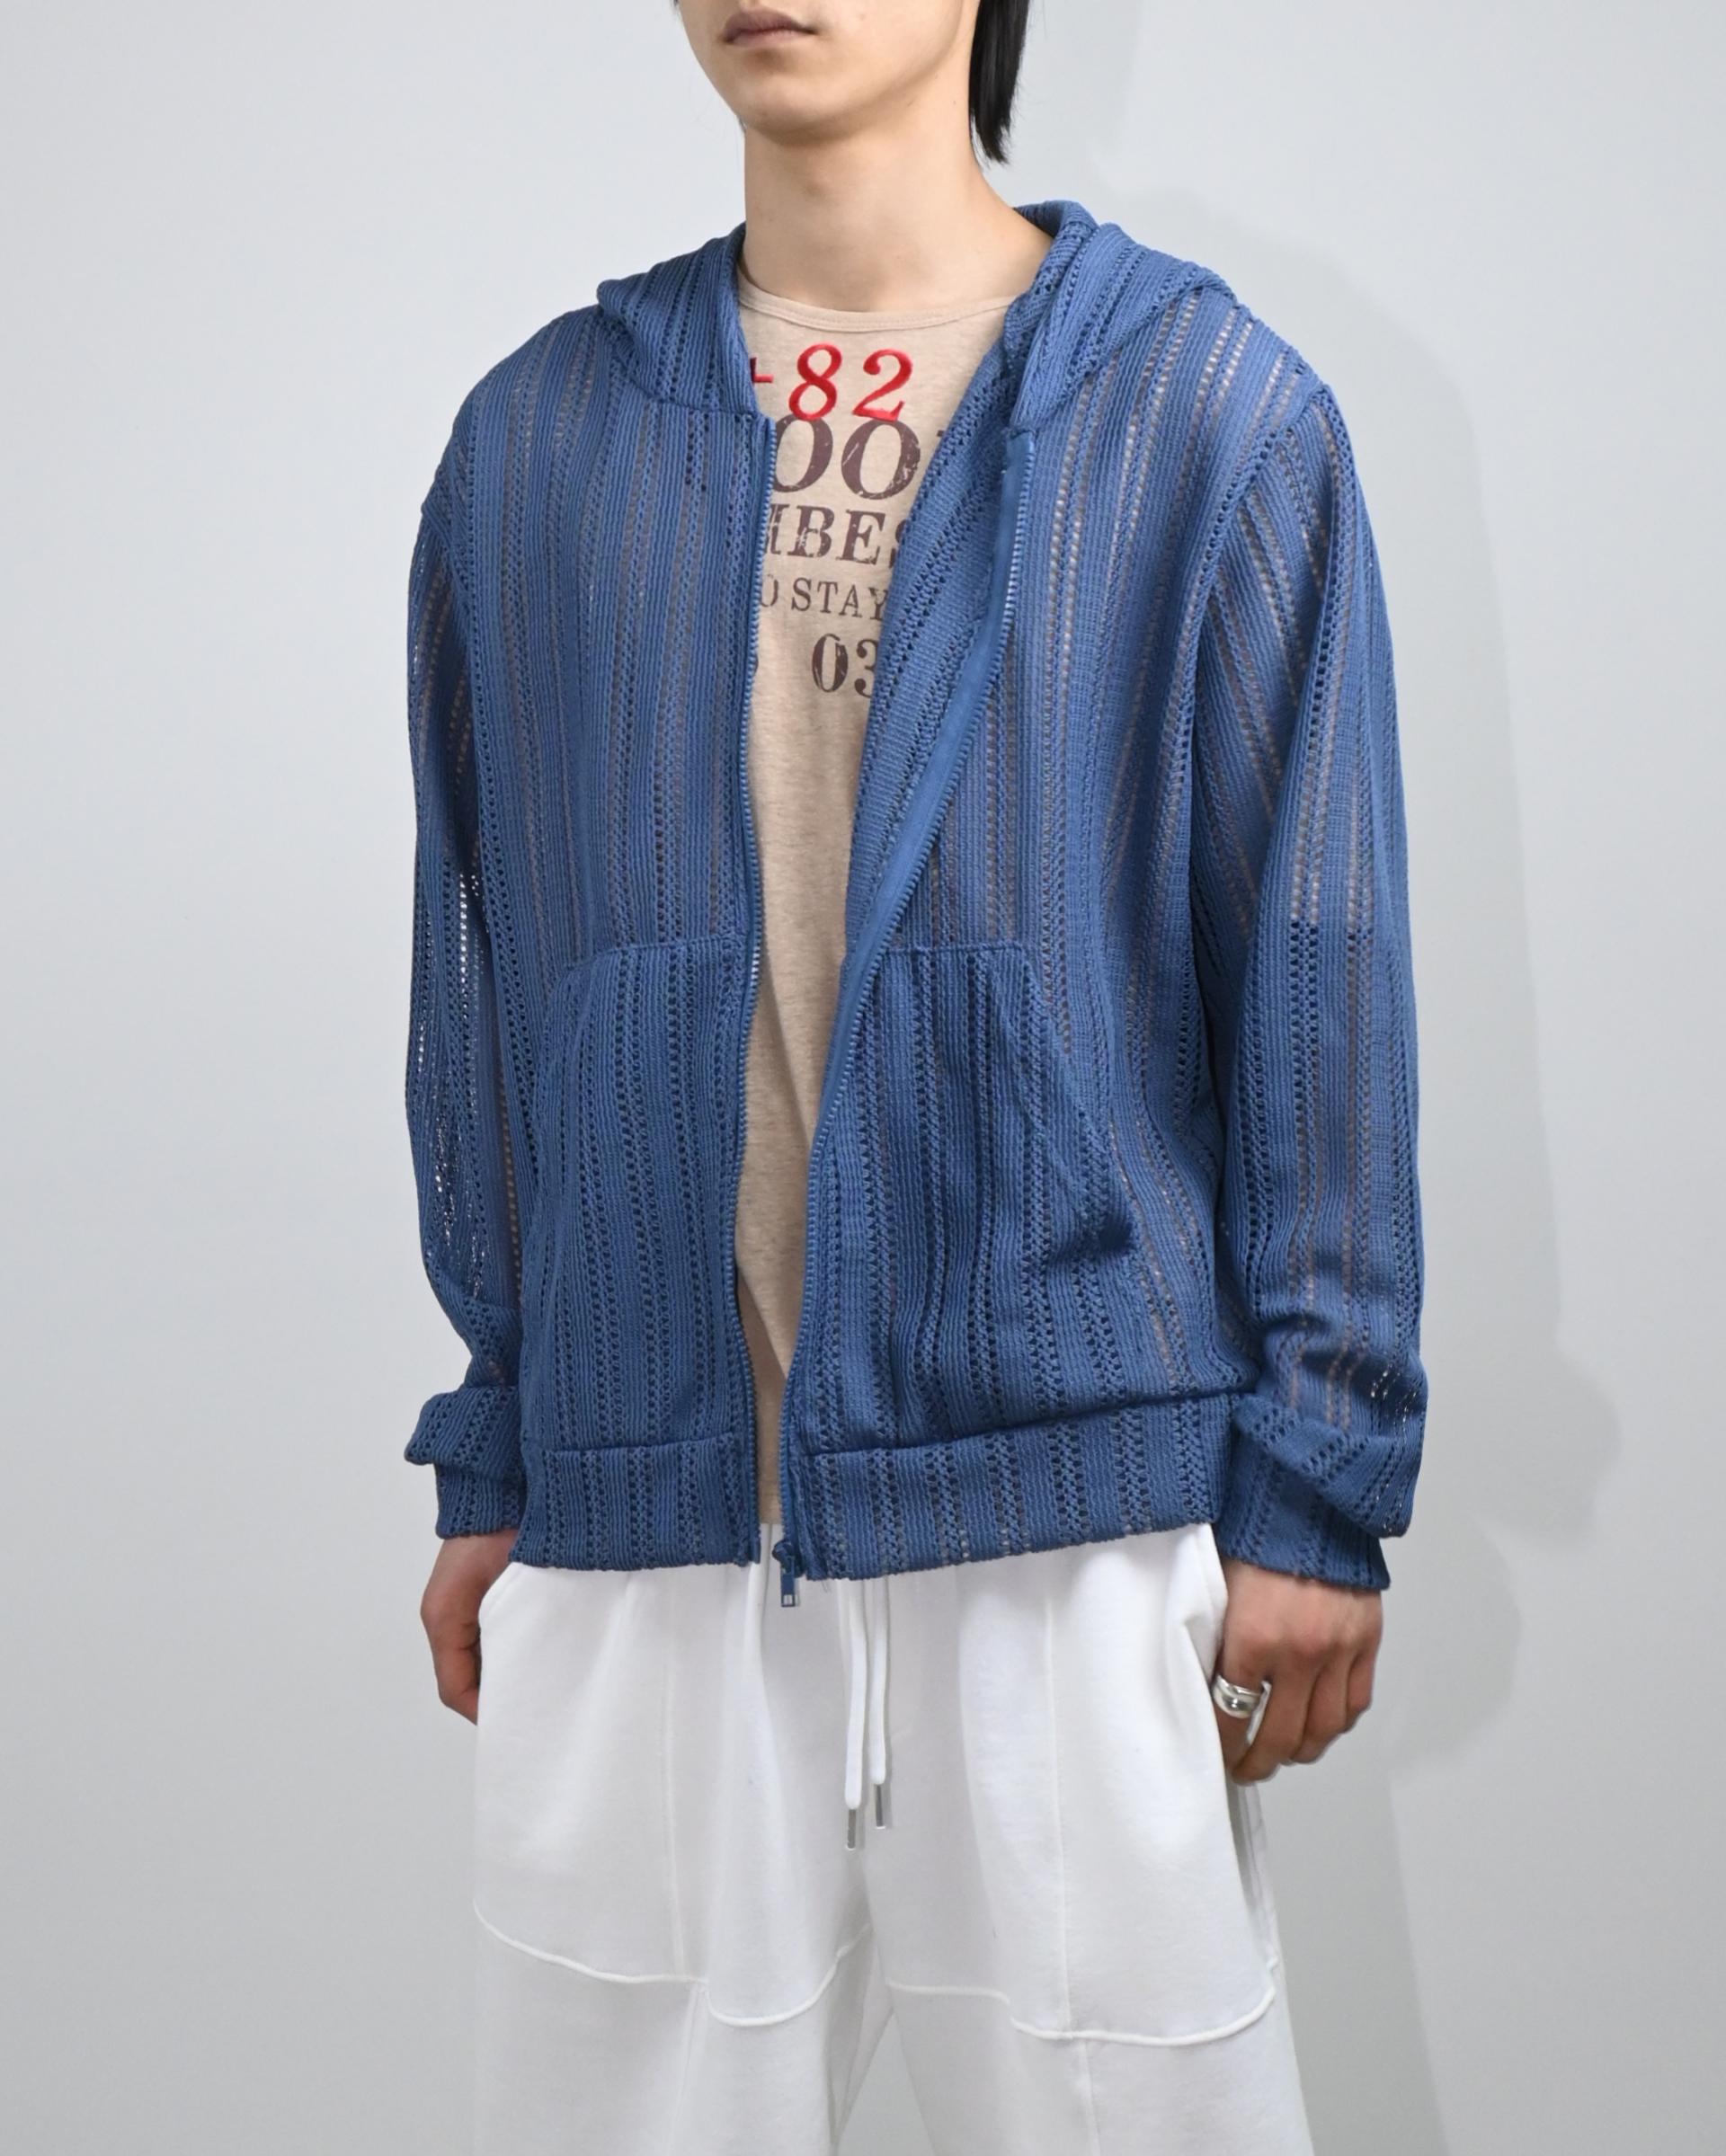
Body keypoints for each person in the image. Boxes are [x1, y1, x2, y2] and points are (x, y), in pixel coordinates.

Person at [402, 4, 1428, 2150]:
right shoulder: (540, 443)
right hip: (654, 1509)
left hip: (1065, 1515)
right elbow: (484, 981)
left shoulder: (1199, 413)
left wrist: (1322, 1478)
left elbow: (1313, 961)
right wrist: (503, 1437)